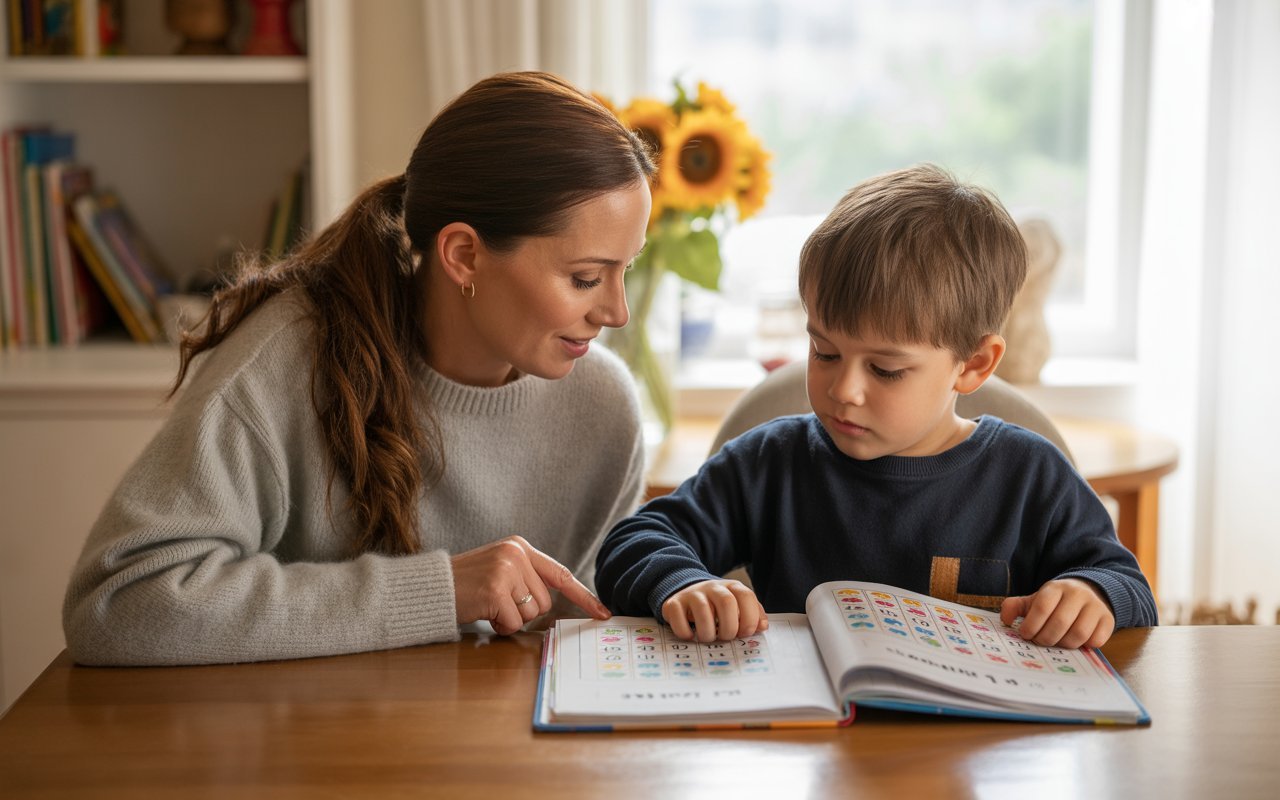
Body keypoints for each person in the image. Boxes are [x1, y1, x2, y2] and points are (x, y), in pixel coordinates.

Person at [63, 71, 656, 665]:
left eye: (624, 269)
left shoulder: (604, 409)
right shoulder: (285, 365)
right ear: (464, 255)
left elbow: (581, 650)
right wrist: (441, 592)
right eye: (585, 278)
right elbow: (118, 605)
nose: (617, 312)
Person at [595, 164, 1158, 648]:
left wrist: (1091, 593)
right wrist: (683, 582)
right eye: (825, 351)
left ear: (974, 365)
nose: (845, 389)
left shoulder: (1030, 477)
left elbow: (1129, 587)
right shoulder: (769, 464)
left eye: (886, 369)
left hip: (970, 756)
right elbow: (630, 543)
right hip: (813, 745)